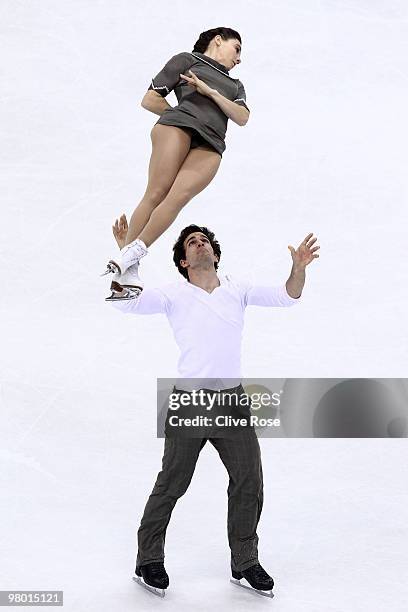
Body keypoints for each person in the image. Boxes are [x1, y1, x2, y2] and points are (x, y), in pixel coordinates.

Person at [109, 220, 320, 597]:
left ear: (215, 255)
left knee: (249, 481)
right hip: (190, 400)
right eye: (191, 243)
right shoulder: (174, 294)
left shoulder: (237, 289)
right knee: (172, 483)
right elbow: (127, 300)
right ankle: (148, 560)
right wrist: (129, 256)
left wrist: (297, 269)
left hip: (232, 402)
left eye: (204, 240)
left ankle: (244, 562)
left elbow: (288, 296)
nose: (199, 244)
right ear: (184, 262)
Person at [102, 27, 250, 297]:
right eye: (237, 48)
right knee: (157, 193)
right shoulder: (187, 60)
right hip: (177, 129)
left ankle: (127, 256)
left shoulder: (235, 85)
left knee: (176, 198)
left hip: (211, 144)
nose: (239, 58)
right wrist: (182, 116)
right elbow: (150, 98)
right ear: (218, 41)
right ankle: (129, 268)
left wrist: (209, 92)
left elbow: (242, 117)